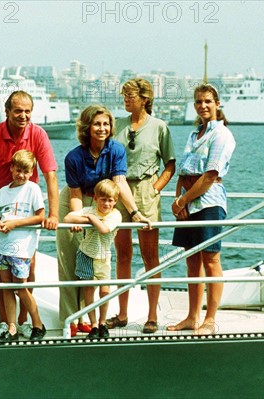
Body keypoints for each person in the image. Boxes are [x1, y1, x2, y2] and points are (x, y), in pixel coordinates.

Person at [0, 90, 59, 339]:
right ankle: (5, 322)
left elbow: (50, 174)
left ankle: (24, 319)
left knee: (29, 262)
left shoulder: (37, 133)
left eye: (27, 111)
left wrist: (53, 214)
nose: (23, 115)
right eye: (18, 110)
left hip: (27, 196)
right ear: (7, 111)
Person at [57, 104, 151, 336]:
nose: (102, 128)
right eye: (97, 124)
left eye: (106, 124)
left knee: (93, 257)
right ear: (87, 128)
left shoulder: (116, 149)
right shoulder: (74, 157)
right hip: (74, 200)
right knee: (70, 258)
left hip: (102, 202)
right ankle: (71, 318)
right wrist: (78, 219)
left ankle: (87, 314)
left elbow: (120, 182)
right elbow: (76, 194)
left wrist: (135, 212)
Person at [107, 78, 176, 334]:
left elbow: (170, 164)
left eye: (130, 96)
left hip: (146, 191)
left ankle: (151, 316)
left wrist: (155, 188)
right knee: (122, 254)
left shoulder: (160, 127)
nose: (125, 100)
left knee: (150, 257)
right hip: (120, 189)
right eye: (124, 96)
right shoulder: (118, 125)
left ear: (144, 99)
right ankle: (122, 314)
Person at [167, 84, 235, 335]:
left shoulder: (222, 135)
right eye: (198, 102)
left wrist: (184, 201)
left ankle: (209, 319)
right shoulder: (194, 134)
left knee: (211, 259)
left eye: (207, 101)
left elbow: (209, 175)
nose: (203, 106)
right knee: (191, 260)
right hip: (187, 203)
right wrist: (178, 202)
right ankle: (191, 316)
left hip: (208, 203)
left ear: (217, 104)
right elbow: (183, 170)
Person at [0, 150, 47, 343]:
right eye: (18, 170)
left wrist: (15, 224)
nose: (21, 175)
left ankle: (38, 323)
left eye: (26, 171)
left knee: (21, 287)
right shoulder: (4, 191)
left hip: (21, 248)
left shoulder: (33, 189)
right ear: (11, 168)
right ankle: (12, 327)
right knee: (7, 286)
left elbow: (40, 216)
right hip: (1, 246)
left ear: (31, 172)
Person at [64, 179, 122, 339]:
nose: (106, 203)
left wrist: (92, 219)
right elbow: (68, 219)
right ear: (96, 198)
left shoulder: (115, 215)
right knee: (89, 290)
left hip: (103, 257)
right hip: (86, 255)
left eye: (110, 200)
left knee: (105, 291)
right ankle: (94, 323)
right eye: (103, 199)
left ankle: (103, 322)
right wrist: (87, 218)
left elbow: (104, 229)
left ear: (115, 201)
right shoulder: (90, 210)